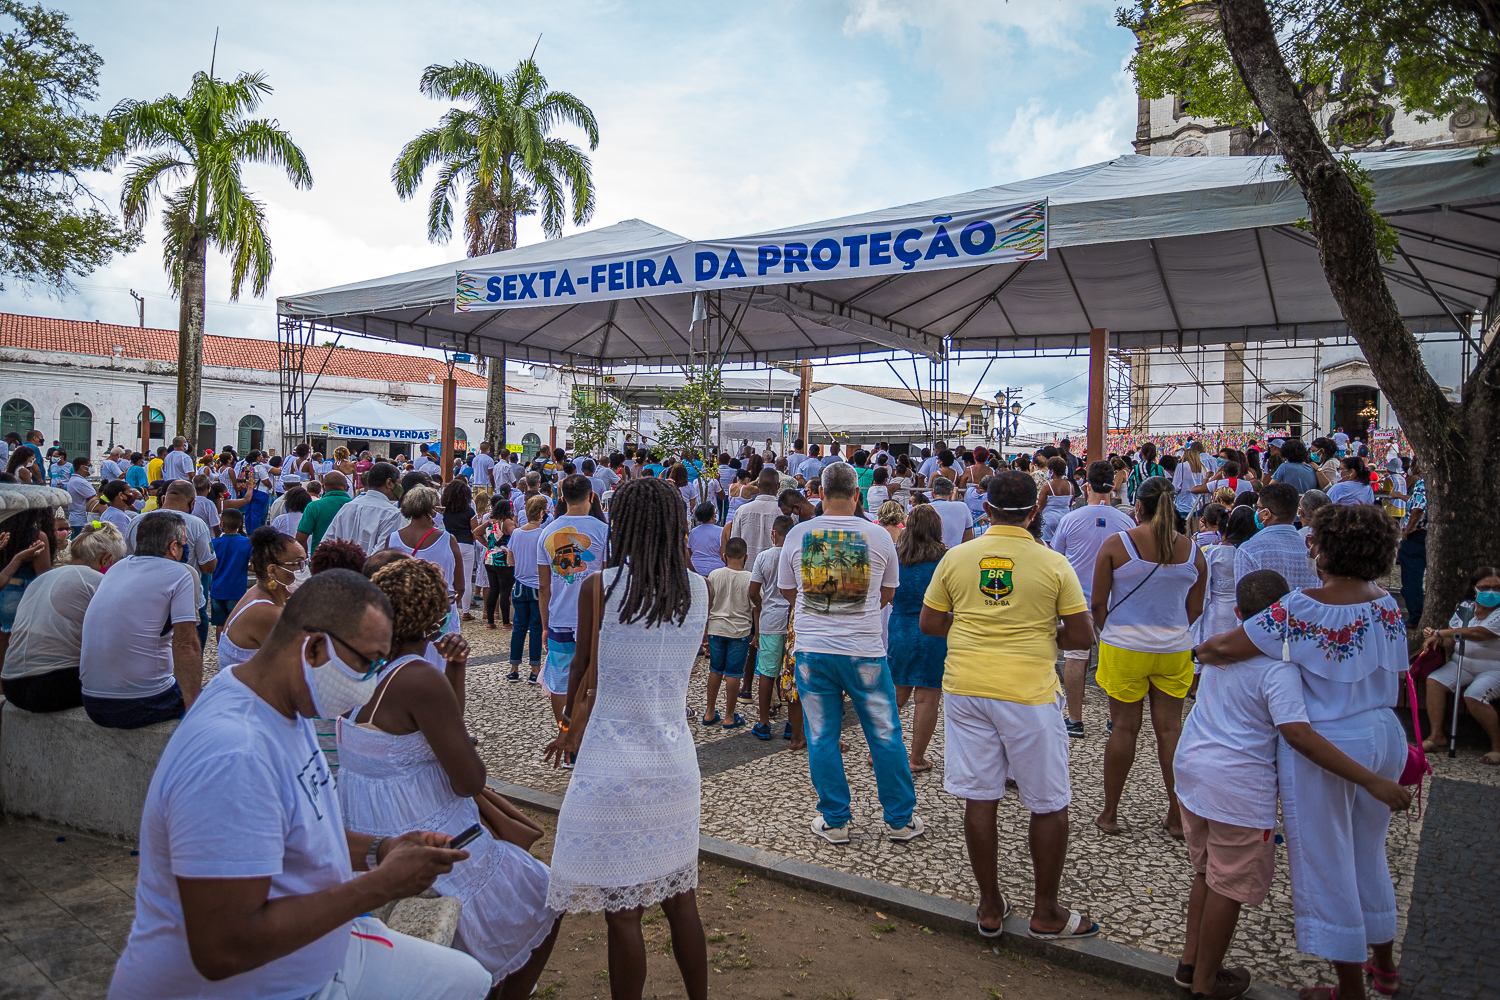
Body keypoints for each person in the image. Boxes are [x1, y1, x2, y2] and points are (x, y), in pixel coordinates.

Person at [109, 568, 492, 1000]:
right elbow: (224, 949)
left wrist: (380, 850)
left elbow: (298, 829)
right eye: (367, 663)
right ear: (313, 648)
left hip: (320, 957)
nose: (370, 682)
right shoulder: (235, 754)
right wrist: (381, 884)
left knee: (471, 982)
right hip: (259, 987)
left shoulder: (282, 704)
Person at [1194, 504, 1411, 1000]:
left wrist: (1199, 653)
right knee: (1368, 854)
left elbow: (1229, 646)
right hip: (1383, 732)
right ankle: (1385, 967)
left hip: (1331, 739)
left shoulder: (1302, 608)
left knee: (1328, 863)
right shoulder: (1387, 604)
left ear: (1326, 548)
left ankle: (1350, 989)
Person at [340, 558, 562, 995]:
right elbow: (468, 780)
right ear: (436, 616)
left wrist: (456, 669)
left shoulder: (362, 667)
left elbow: (434, 728)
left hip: (370, 825)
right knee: (543, 896)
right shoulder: (417, 676)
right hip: (422, 831)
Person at [542, 478, 710, 1000]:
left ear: (623, 525)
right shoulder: (698, 588)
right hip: (676, 761)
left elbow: (584, 672)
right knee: (682, 900)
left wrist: (568, 726)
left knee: (624, 914)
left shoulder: (602, 586)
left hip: (612, 760)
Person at [919, 471, 1097, 939]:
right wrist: (1041, 629)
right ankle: (1046, 912)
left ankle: (990, 905)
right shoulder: (1053, 563)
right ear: (1035, 512)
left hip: (966, 685)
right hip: (1029, 692)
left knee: (981, 797)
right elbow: (1081, 636)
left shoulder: (957, 558)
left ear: (987, 509)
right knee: (1048, 801)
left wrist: (972, 622)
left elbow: (931, 622)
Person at [777, 462, 921, 844]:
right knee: (886, 735)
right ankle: (899, 819)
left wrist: (821, 605)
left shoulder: (798, 535)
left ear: (820, 494)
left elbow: (790, 593)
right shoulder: (879, 536)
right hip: (865, 652)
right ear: (857, 495)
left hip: (813, 652)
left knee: (822, 736)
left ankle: (836, 820)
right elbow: (888, 594)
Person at [1092, 476, 1206, 838]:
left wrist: (1109, 628)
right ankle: (1176, 816)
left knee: (1124, 727)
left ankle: (1110, 813)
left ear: (1137, 506)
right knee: (1171, 730)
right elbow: (1196, 608)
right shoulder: (1192, 551)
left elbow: (1098, 602)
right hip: (1174, 647)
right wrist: (1169, 629)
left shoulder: (1117, 544)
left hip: (1124, 644)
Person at [79, 512, 203, 728]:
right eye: (184, 544)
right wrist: (192, 708)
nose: (185, 549)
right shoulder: (180, 573)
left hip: (92, 702)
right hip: (140, 703)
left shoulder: (117, 568)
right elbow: (186, 645)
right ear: (173, 547)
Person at [1051, 461, 1138, 737]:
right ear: (1113, 486)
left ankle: (1075, 720)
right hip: (1114, 601)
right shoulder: (1126, 521)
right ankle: (1115, 719)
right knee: (1115, 660)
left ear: (1085, 485)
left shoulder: (1070, 519)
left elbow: (1057, 560)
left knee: (1076, 657)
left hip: (1077, 600)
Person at [1, 522, 124, 712]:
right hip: (50, 685)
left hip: (10, 683)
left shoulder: (41, 579)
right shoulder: (96, 580)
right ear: (107, 560)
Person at [537, 474, 610, 728]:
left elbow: (543, 586)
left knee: (559, 681)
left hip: (560, 617)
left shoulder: (547, 531)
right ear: (591, 496)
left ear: (562, 498)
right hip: (596, 619)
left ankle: (565, 731)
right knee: (595, 679)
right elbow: (610, 578)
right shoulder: (604, 531)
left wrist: (545, 625)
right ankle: (588, 734)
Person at [887, 504, 948, 772]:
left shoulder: (896, 555)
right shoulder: (944, 559)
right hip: (935, 630)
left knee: (895, 695)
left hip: (899, 627)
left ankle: (881, 753)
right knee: (927, 698)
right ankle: (916, 757)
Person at [1421, 565, 1500, 763]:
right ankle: (1437, 736)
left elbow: (1478, 634)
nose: (1491, 592)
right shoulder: (1465, 608)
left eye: (1496, 588)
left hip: (1493, 668)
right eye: (1485, 588)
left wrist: (1442, 632)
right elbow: (1451, 639)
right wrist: (1437, 638)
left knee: (1474, 694)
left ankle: (1497, 746)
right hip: (1461, 662)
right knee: (1434, 681)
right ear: (1474, 588)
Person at [386, 487, 466, 643]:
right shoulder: (447, 540)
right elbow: (460, 586)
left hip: (405, 611)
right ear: (432, 510)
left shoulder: (392, 539)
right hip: (441, 611)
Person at [748, 515, 794, 742]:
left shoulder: (763, 557)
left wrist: (760, 604)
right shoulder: (796, 556)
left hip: (770, 621)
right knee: (792, 673)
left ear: (773, 533)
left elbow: (753, 590)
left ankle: (764, 721)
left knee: (767, 671)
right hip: (793, 621)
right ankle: (792, 724)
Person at [702, 536, 753, 729]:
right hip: (739, 631)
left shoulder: (714, 574)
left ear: (724, 556)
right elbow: (756, 603)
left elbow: (709, 601)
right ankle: (729, 716)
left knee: (715, 669)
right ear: (746, 557)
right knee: (733, 672)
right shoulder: (749, 578)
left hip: (716, 628)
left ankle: (709, 712)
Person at [1193, 506, 1259, 650]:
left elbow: (1203, 586)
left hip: (1217, 611)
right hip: (1246, 613)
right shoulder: (1254, 551)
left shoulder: (1214, 551)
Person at [1233, 482, 1319, 592]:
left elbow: (1244, 599)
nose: (1256, 511)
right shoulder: (1312, 549)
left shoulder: (1249, 550)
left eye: (1258, 507)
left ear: (1266, 514)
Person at [506, 495, 549, 684]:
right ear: (541, 513)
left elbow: (510, 560)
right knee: (536, 628)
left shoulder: (516, 533)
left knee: (519, 627)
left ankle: (514, 668)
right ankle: (534, 669)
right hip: (537, 585)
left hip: (520, 585)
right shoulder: (543, 534)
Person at [323, 462, 405, 555]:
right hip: (370, 568)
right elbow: (381, 554)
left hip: (342, 567)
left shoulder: (348, 506)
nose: (400, 488)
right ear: (389, 483)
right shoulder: (391, 513)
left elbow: (326, 543)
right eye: (398, 484)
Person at [725, 468, 784, 566]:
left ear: (758, 485)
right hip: (775, 571)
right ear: (778, 486)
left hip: (747, 569)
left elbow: (735, 543)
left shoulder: (742, 511)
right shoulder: (783, 512)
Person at [209, 509, 253, 640]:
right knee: (236, 623)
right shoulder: (247, 543)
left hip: (217, 590)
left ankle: (221, 651)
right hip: (237, 591)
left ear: (221, 524)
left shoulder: (214, 543)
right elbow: (254, 565)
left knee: (220, 625)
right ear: (241, 524)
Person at [1397, 460, 1427, 627]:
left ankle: (1416, 617)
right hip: (1421, 535)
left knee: (1411, 581)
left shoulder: (1423, 483)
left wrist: (1407, 530)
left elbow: (1418, 509)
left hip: (1416, 536)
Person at [297, 471, 355, 553]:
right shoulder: (356, 506)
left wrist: (306, 560)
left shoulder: (314, 507)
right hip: (350, 560)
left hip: (320, 560)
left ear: (323, 488)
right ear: (346, 487)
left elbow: (301, 539)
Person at [482, 496, 517, 630]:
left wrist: (489, 546)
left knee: (493, 590)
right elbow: (516, 536)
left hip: (490, 558)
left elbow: (476, 532)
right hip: (503, 559)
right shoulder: (507, 522)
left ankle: (490, 621)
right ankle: (506, 622)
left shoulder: (490, 522)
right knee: (505, 591)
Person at [1036, 457, 1075, 544]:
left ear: (1051, 471)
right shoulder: (1070, 485)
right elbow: (1070, 503)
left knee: (1048, 545)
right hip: (1065, 518)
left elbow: (1040, 506)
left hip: (1049, 519)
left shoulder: (1047, 486)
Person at [929, 476, 974, 548]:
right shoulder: (962, 507)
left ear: (932, 493)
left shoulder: (922, 509)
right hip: (955, 554)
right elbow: (968, 538)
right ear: (951, 494)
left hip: (929, 555)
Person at [687, 502, 725, 576]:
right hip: (716, 571)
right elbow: (724, 554)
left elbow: (689, 552)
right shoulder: (721, 531)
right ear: (713, 516)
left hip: (696, 570)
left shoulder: (693, 532)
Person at [63, 457, 97, 536]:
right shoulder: (80, 482)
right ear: (82, 467)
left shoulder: (75, 480)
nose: (91, 468)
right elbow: (93, 501)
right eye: (89, 465)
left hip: (77, 519)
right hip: (82, 521)